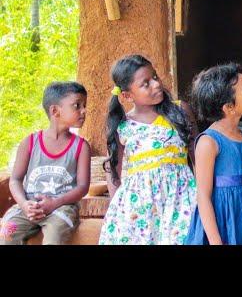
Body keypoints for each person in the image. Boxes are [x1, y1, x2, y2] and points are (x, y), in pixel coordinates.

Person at [99, 54, 196, 245]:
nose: (156, 84)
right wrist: (119, 206)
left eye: (155, 77)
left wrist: (203, 193)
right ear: (127, 95)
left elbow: (196, 153)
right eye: (146, 83)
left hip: (182, 197)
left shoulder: (179, 111)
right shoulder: (123, 125)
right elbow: (113, 169)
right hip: (140, 206)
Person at [185, 63, 242, 245]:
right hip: (222, 220)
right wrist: (215, 241)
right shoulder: (208, 142)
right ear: (229, 107)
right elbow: (203, 196)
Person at [1, 81, 90, 245]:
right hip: (29, 207)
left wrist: (55, 203)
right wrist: (24, 204)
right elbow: (15, 180)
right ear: (55, 110)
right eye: (77, 105)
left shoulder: (81, 147)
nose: (84, 110)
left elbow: (83, 187)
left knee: (55, 236)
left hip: (62, 207)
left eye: (84, 105)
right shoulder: (30, 142)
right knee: (7, 231)